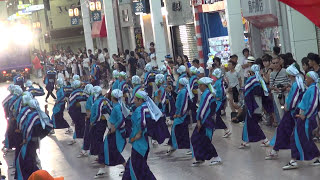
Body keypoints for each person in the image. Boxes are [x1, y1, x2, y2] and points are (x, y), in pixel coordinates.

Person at [266, 64, 304, 160]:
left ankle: (294, 155)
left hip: (291, 112)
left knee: (286, 131)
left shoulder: (296, 85)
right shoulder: (297, 84)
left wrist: (288, 107)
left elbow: (294, 99)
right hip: (292, 112)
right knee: (284, 130)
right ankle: (276, 150)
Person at [283, 71, 320, 170]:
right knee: (304, 138)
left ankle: (293, 160)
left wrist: (306, 115)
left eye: (307, 78)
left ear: (312, 79)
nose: (305, 80)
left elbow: (314, 104)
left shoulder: (314, 89)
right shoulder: (311, 88)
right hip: (303, 117)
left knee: (296, 137)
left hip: (307, 118)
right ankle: (317, 157)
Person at [122, 90, 160, 180]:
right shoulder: (147, 107)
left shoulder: (141, 109)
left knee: (139, 168)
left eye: (135, 99)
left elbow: (142, 122)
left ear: (140, 100)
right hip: (144, 143)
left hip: (139, 144)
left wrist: (137, 135)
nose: (133, 100)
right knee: (133, 166)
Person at [94, 89, 129, 178]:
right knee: (106, 149)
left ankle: (126, 167)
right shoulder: (117, 105)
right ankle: (102, 167)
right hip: (113, 132)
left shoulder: (117, 107)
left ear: (113, 97)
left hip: (114, 133)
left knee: (110, 149)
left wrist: (114, 128)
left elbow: (121, 119)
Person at [16, 98, 53, 180]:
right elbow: (49, 123)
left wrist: (25, 139)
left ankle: (34, 173)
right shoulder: (40, 113)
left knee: (27, 157)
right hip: (37, 138)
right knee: (31, 154)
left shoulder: (32, 116)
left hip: (31, 139)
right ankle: (36, 165)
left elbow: (28, 128)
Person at [191, 77, 222, 167]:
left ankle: (216, 157)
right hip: (206, 121)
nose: (199, 86)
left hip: (206, 122)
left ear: (204, 85)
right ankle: (200, 158)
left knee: (205, 140)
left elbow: (202, 110)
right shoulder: (207, 93)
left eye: (200, 85)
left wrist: (199, 121)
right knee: (196, 139)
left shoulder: (207, 95)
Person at [239, 65, 269, 149]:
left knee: (252, 123)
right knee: (248, 123)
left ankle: (265, 139)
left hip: (252, 105)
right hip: (258, 103)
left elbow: (248, 91)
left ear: (251, 72)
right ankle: (246, 141)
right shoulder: (260, 79)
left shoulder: (251, 80)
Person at [167, 78, 193, 155]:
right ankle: (172, 145)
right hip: (179, 115)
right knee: (176, 130)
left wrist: (180, 114)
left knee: (179, 130)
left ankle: (188, 147)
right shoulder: (181, 91)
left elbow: (184, 104)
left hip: (182, 116)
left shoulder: (184, 92)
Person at [270, 57, 291, 124]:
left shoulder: (285, 71)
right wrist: (276, 88)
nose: (276, 64)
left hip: (286, 92)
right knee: (280, 110)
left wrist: (285, 87)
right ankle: (283, 125)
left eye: (277, 62)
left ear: (280, 63)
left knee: (287, 108)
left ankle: (289, 124)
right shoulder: (272, 74)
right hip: (277, 94)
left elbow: (290, 81)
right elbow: (271, 86)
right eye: (274, 63)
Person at [67, 80, 89, 145]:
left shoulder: (74, 93)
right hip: (84, 112)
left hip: (76, 112)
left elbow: (70, 104)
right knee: (82, 125)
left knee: (78, 126)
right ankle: (77, 138)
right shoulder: (84, 92)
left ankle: (80, 141)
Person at [212, 69, 231, 138]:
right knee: (215, 116)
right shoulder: (220, 81)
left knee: (216, 116)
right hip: (220, 101)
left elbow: (220, 92)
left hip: (218, 102)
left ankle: (226, 130)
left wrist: (217, 97)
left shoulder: (218, 82)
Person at [152, 74, 171, 144]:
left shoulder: (159, 91)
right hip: (162, 109)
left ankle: (158, 138)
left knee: (159, 124)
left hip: (159, 109)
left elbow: (158, 101)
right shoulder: (163, 89)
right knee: (161, 124)